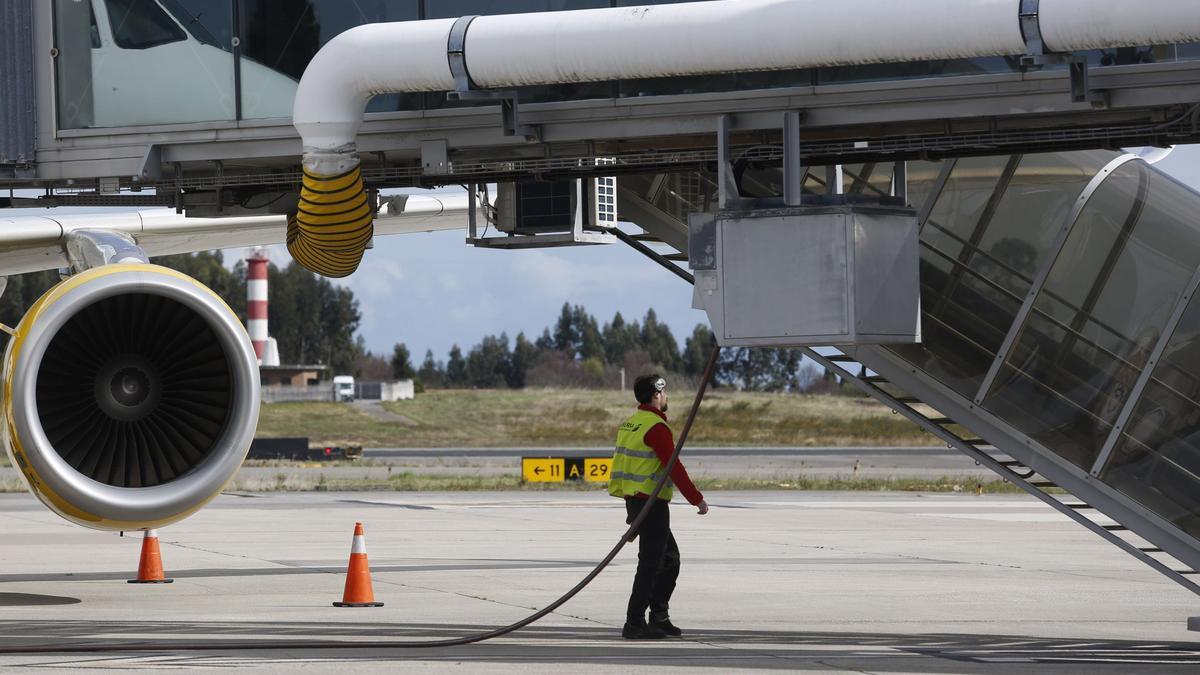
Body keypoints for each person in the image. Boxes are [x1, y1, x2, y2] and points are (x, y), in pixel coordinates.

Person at [609, 373, 708, 640]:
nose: (666, 398)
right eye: (663, 394)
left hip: (636, 501)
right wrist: (696, 499)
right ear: (656, 395)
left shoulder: (632, 423)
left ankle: (658, 618)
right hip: (650, 503)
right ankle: (635, 623)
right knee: (652, 563)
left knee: (667, 559)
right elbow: (673, 467)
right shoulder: (655, 427)